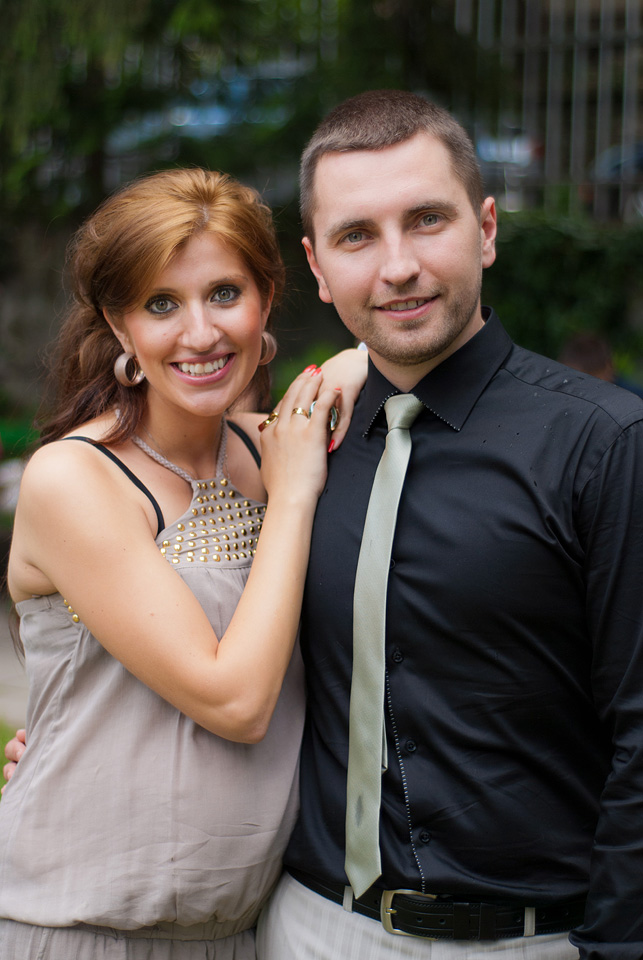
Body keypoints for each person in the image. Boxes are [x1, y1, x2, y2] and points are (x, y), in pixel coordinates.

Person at [253, 90, 643, 959]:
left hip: (530, 941)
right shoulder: (293, 444)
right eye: (357, 236)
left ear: (486, 229)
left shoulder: (606, 445)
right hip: (309, 928)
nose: (397, 267)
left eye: (426, 220)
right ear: (317, 265)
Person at [0, 166, 366, 959]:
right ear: (118, 323)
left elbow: (399, 359)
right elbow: (235, 702)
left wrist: (347, 364)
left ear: (267, 298)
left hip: (246, 931)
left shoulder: (273, 448)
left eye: (224, 294)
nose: (200, 333)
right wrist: (293, 497)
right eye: (161, 304)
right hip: (81, 928)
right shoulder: (77, 478)